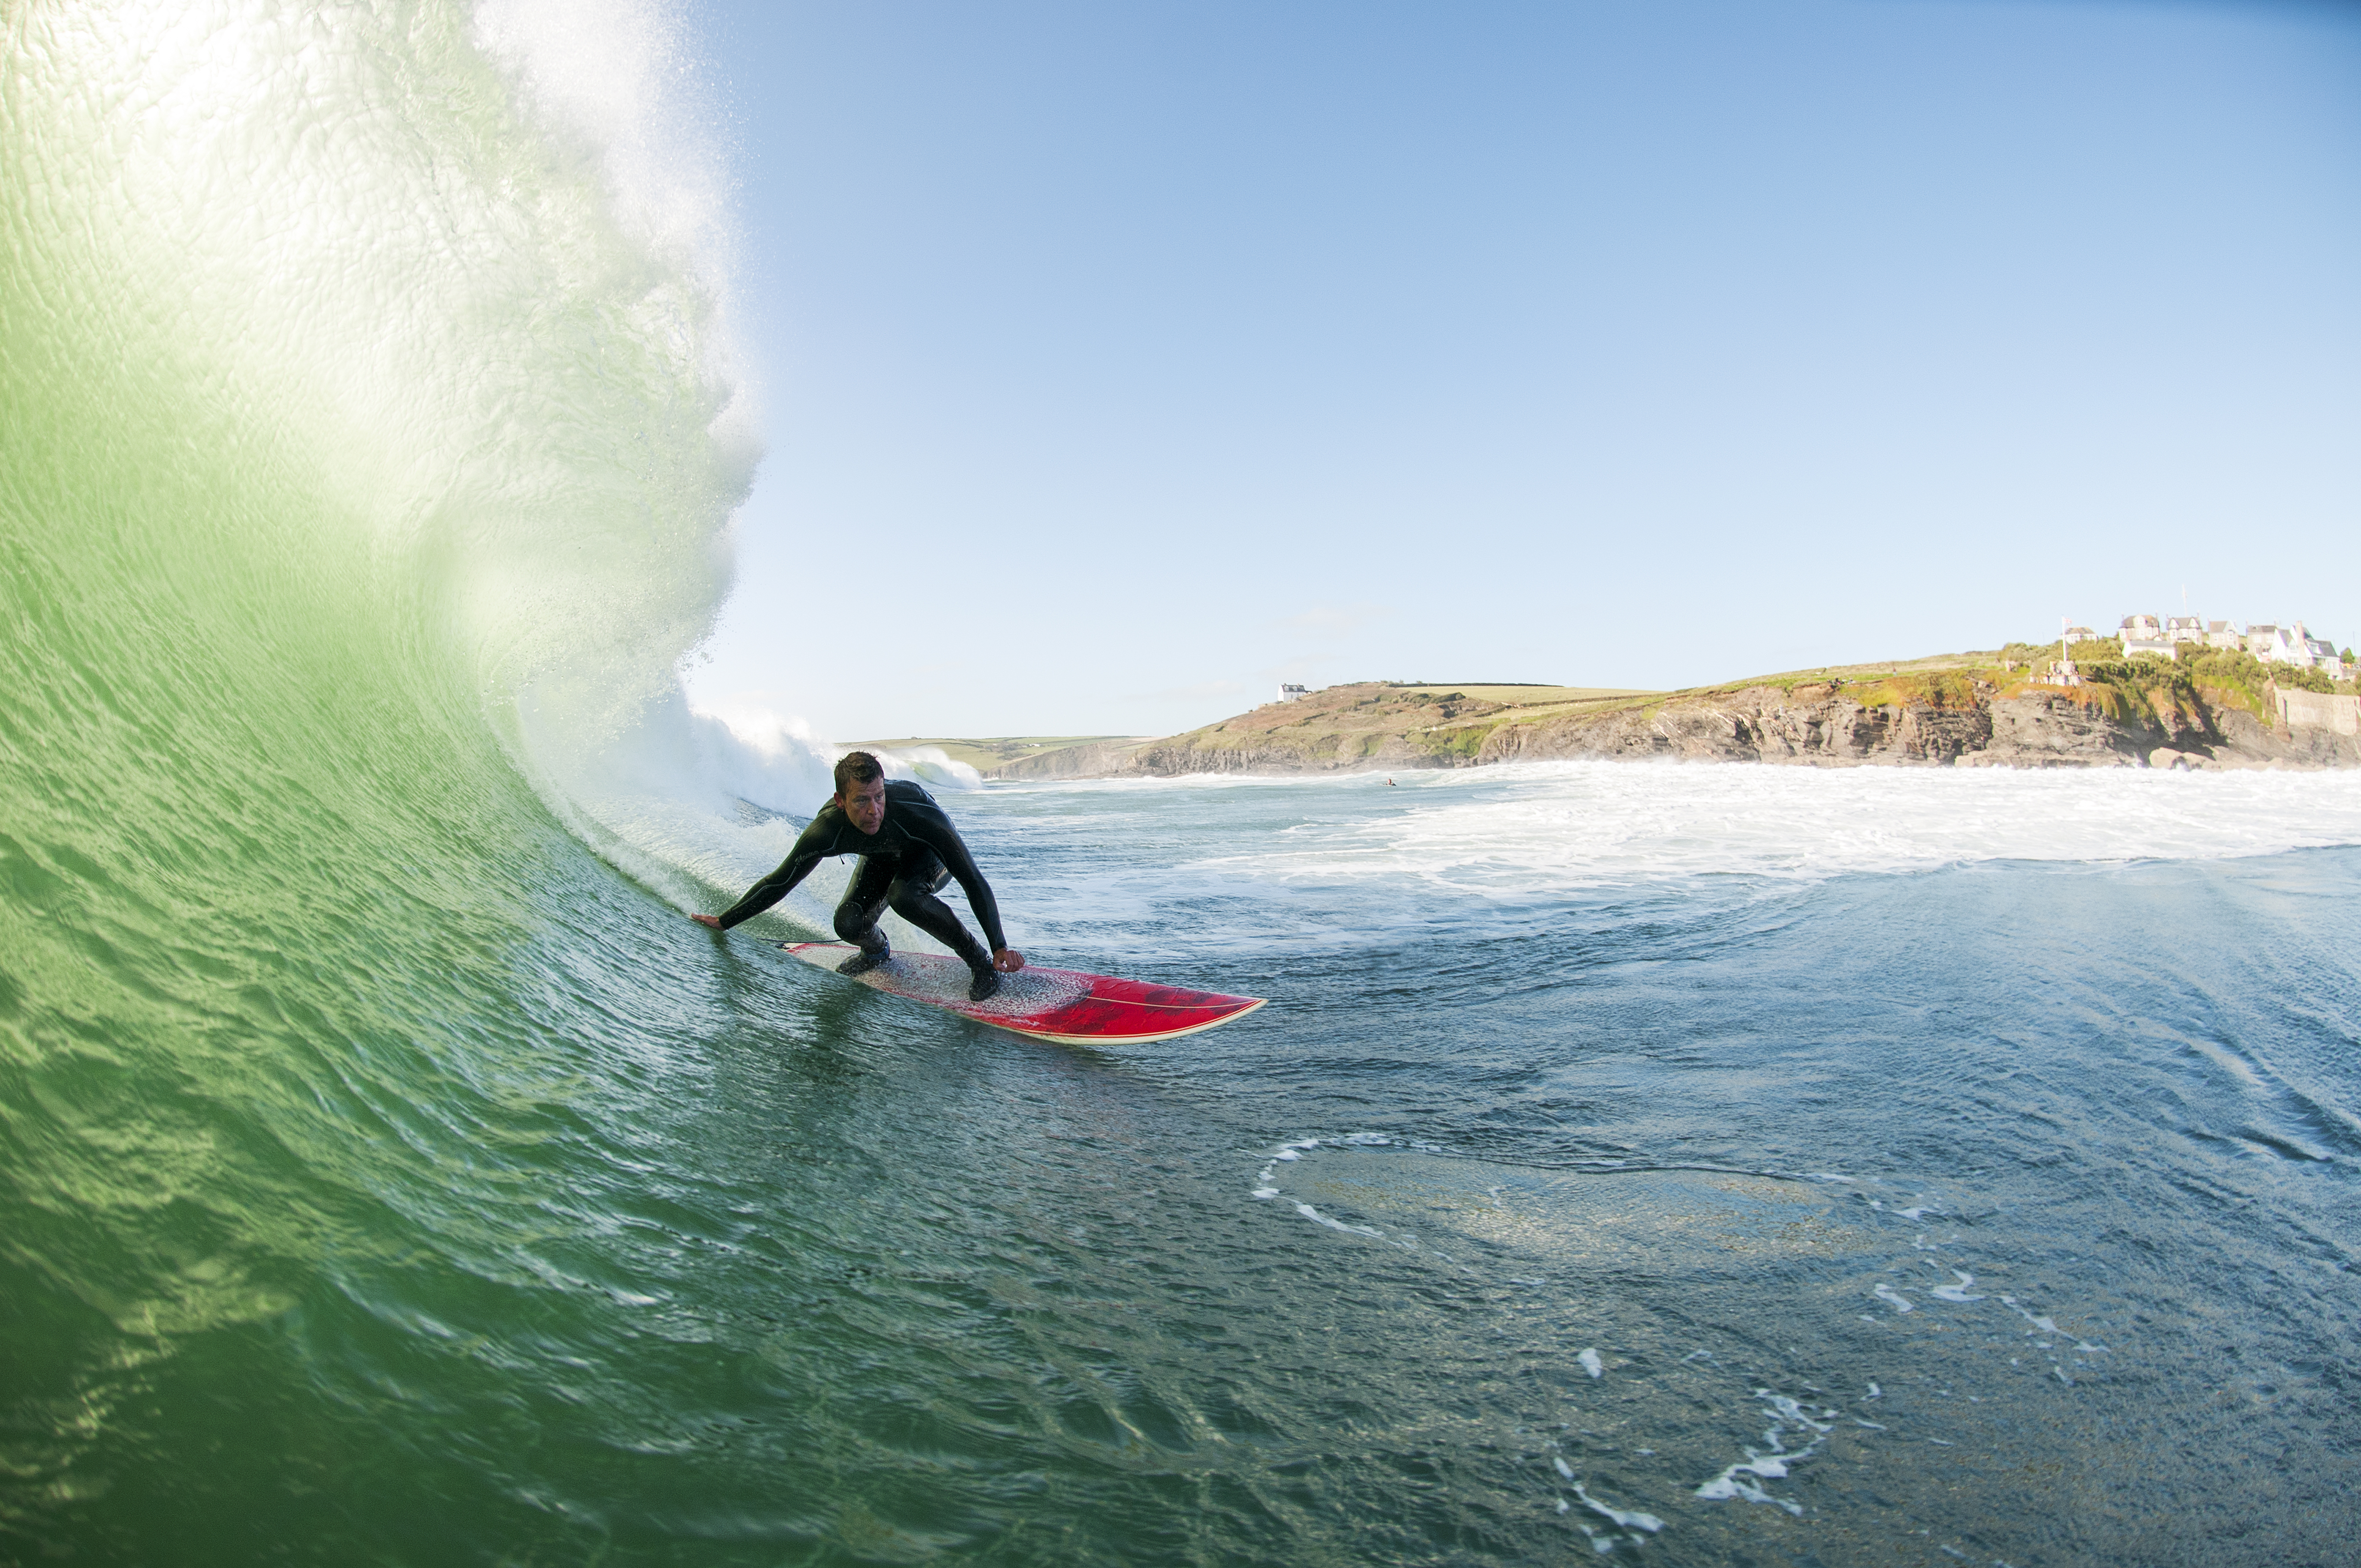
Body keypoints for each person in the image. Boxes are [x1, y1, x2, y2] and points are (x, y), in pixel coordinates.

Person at [690, 751, 1025, 1000]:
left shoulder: (917, 811)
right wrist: (725, 921)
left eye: (879, 797)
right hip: (882, 859)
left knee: (904, 896)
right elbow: (781, 881)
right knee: (848, 923)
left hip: (929, 859)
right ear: (840, 801)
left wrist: (999, 945)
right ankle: (877, 951)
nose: (873, 810)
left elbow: (972, 878)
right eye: (861, 801)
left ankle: (980, 963)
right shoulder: (828, 831)